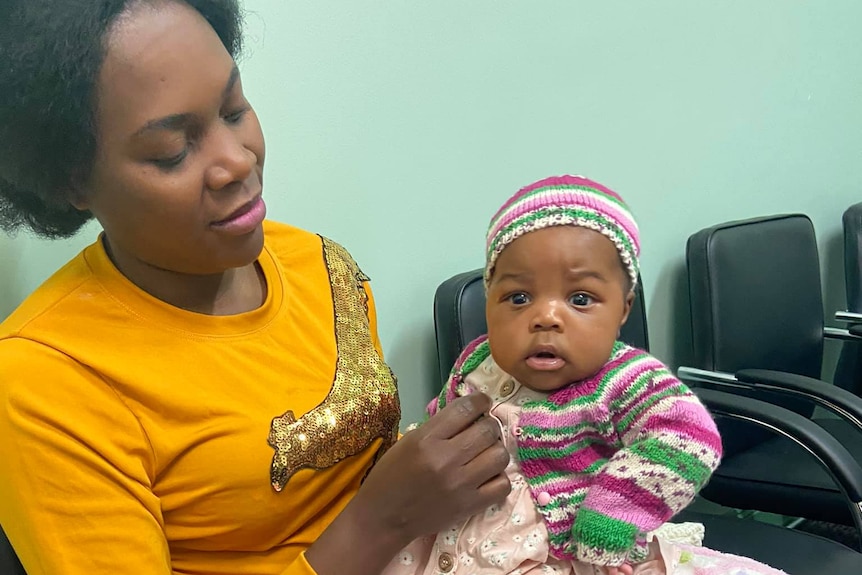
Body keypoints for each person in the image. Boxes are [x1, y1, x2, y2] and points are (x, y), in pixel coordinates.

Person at [0, 1, 512, 574]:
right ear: (72, 179)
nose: (237, 162)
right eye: (173, 152)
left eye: (234, 109)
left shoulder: (320, 264)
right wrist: (383, 518)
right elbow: (382, 504)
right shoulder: (48, 380)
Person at [382, 175, 788, 575]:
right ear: (490, 301)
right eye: (518, 298)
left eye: (580, 299)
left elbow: (688, 440)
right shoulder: (476, 360)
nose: (545, 317)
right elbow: (445, 426)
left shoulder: (627, 378)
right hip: (456, 537)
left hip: (562, 552)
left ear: (623, 310)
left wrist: (611, 520)